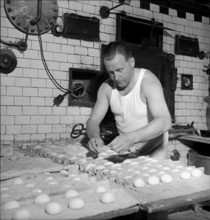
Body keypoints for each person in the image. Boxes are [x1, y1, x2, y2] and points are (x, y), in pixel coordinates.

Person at [86, 41, 171, 159]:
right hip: (128, 149)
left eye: (120, 70)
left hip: (154, 149)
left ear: (132, 62)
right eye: (111, 72)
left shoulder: (147, 82)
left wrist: (131, 138)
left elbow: (165, 121)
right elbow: (93, 120)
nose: (116, 78)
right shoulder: (106, 88)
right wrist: (94, 136)